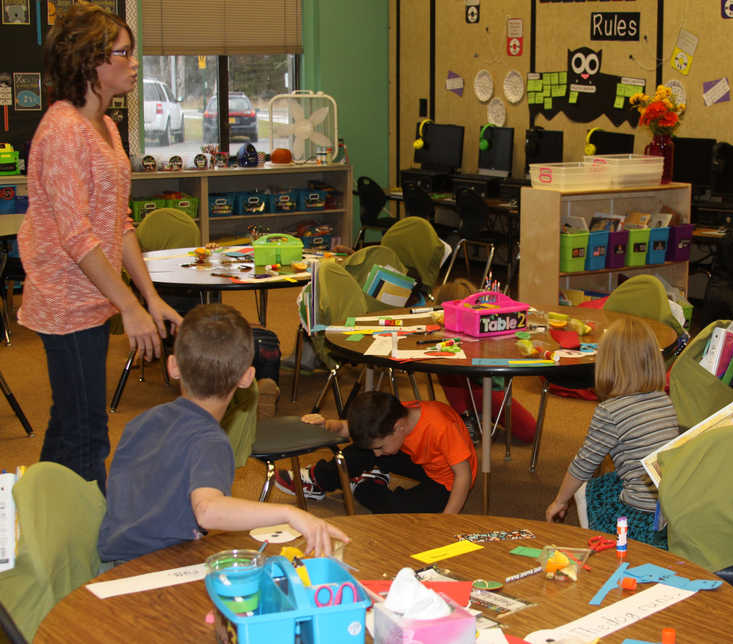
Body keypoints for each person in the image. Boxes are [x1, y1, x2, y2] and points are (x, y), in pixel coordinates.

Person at [17, 3, 183, 493]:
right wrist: (128, 306)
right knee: (86, 432)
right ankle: (93, 549)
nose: (134, 63)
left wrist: (149, 297)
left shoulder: (107, 127)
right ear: (92, 62)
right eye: (124, 53)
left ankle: (36, 519)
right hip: (65, 302)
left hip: (94, 295)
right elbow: (77, 236)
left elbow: (119, 223)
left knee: (71, 425)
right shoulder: (64, 129)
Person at [99, 304, 348, 562]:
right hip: (152, 566)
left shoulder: (141, 421)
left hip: (114, 557)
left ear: (173, 366)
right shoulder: (211, 441)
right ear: (246, 378)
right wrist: (289, 513)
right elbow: (207, 510)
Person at [545, 317, 678, 547]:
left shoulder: (610, 411)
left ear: (607, 365)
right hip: (670, 512)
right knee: (613, 479)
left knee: (588, 491)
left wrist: (559, 501)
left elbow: (583, 465)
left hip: (641, 521)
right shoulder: (665, 400)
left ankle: (602, 540)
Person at [274, 391, 477, 514]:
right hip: (423, 462)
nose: (378, 455)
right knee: (365, 448)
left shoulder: (441, 426)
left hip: (448, 479)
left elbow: (463, 475)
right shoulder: (395, 420)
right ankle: (318, 479)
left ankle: (366, 484)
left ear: (399, 428)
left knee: (397, 510)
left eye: (381, 447)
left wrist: (448, 518)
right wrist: (326, 424)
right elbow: (351, 429)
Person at [434, 278, 538, 443]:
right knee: (448, 369)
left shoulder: (488, 327)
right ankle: (465, 416)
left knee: (529, 431)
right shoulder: (444, 339)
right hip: (473, 387)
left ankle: (471, 414)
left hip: (487, 386)